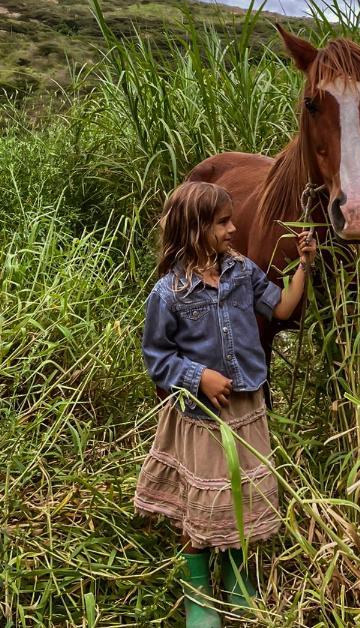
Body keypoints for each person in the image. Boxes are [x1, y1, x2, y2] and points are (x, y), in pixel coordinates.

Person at [134, 181, 317, 627]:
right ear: (195, 229)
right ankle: (197, 587)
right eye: (223, 222)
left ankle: (236, 577)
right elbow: (157, 358)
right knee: (205, 503)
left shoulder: (242, 271)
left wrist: (304, 267)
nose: (234, 228)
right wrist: (200, 377)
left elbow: (280, 309)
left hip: (246, 406)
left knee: (240, 497)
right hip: (203, 416)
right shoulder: (168, 293)